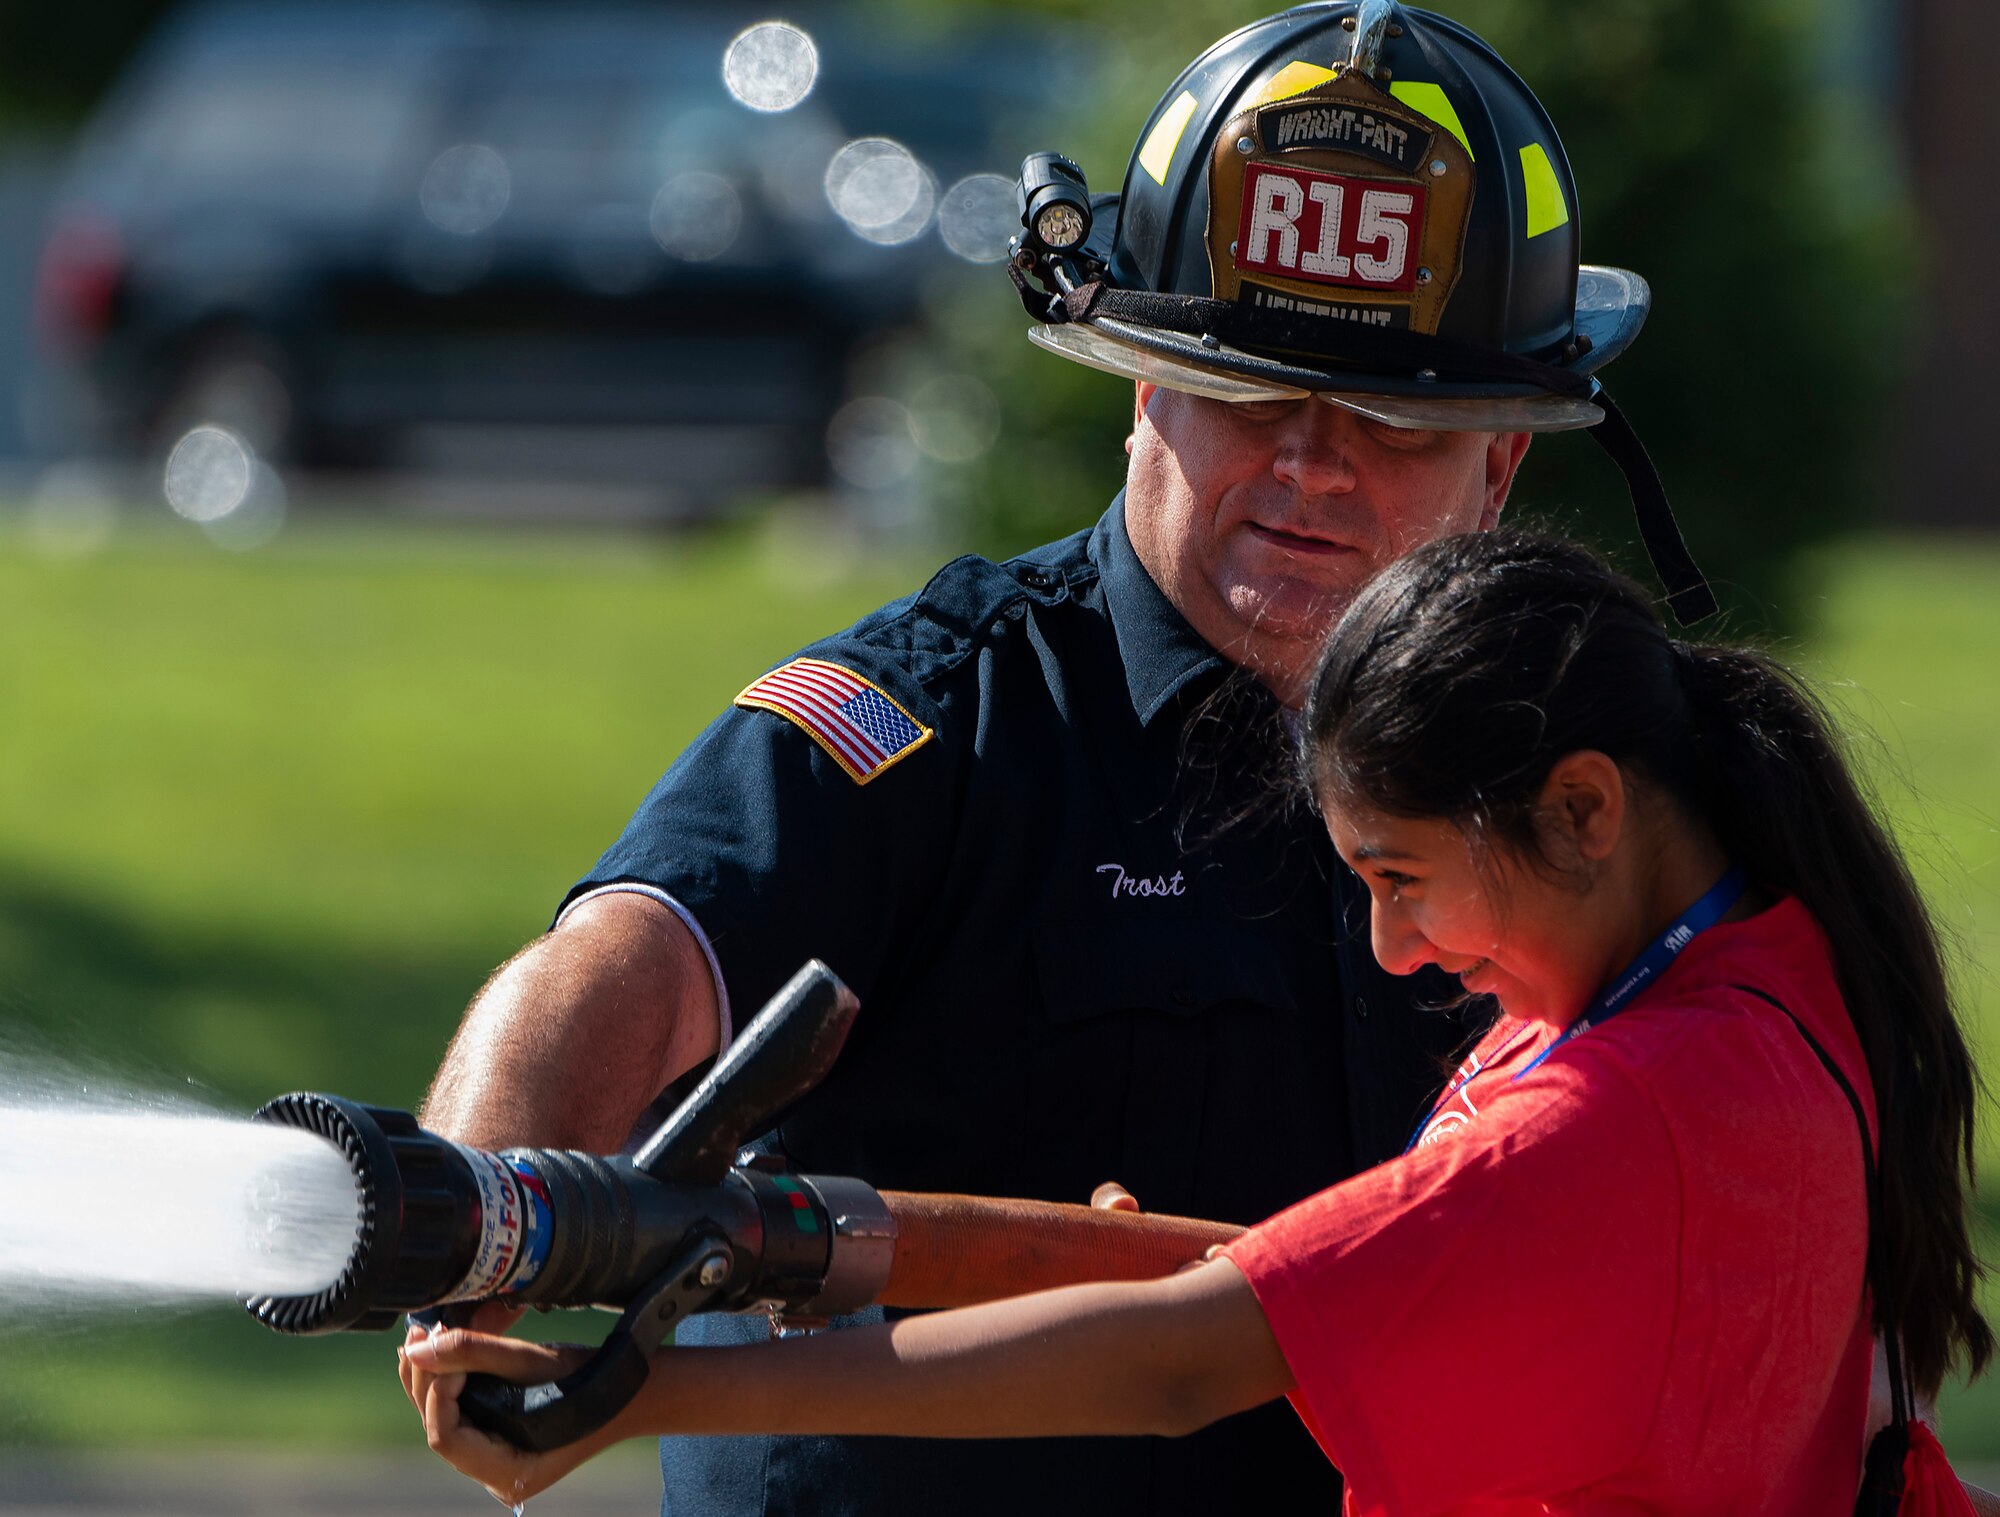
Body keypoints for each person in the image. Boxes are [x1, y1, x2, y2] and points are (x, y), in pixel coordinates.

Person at [410, 5, 1717, 1513]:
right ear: (1139, 385)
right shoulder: (937, 721)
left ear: (1503, 464)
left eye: (1393, 420)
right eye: (1246, 389)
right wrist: (482, 1241)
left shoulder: (1574, 792)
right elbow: (619, 974)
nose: (1309, 463)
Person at [404, 529, 1992, 1514]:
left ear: (1585, 808)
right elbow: (1291, 1266)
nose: (1391, 946)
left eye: (1403, 877)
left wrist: (654, 1388)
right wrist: (779, 1241)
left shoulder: (1625, 1112)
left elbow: (1195, 1353)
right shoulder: (1747, 982)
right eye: (1253, 398)